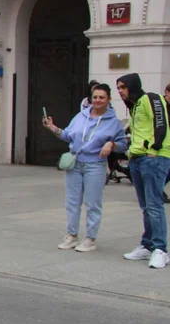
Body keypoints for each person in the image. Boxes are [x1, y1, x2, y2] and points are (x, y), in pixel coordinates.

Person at [42, 83, 127, 253]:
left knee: (93, 203)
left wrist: (111, 144)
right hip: (75, 163)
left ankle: (90, 238)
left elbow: (123, 145)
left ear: (108, 100)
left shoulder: (114, 122)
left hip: (95, 164)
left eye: (102, 97)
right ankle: (72, 235)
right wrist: (52, 128)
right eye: (95, 97)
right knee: (72, 202)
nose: (97, 100)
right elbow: (67, 135)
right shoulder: (81, 116)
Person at [116, 73, 170, 269]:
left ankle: (161, 250)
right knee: (146, 206)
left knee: (154, 205)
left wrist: (154, 149)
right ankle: (148, 245)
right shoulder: (134, 106)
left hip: (153, 158)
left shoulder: (151, 98)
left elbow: (160, 122)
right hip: (138, 159)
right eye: (118, 88)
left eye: (122, 87)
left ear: (132, 85)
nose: (120, 91)